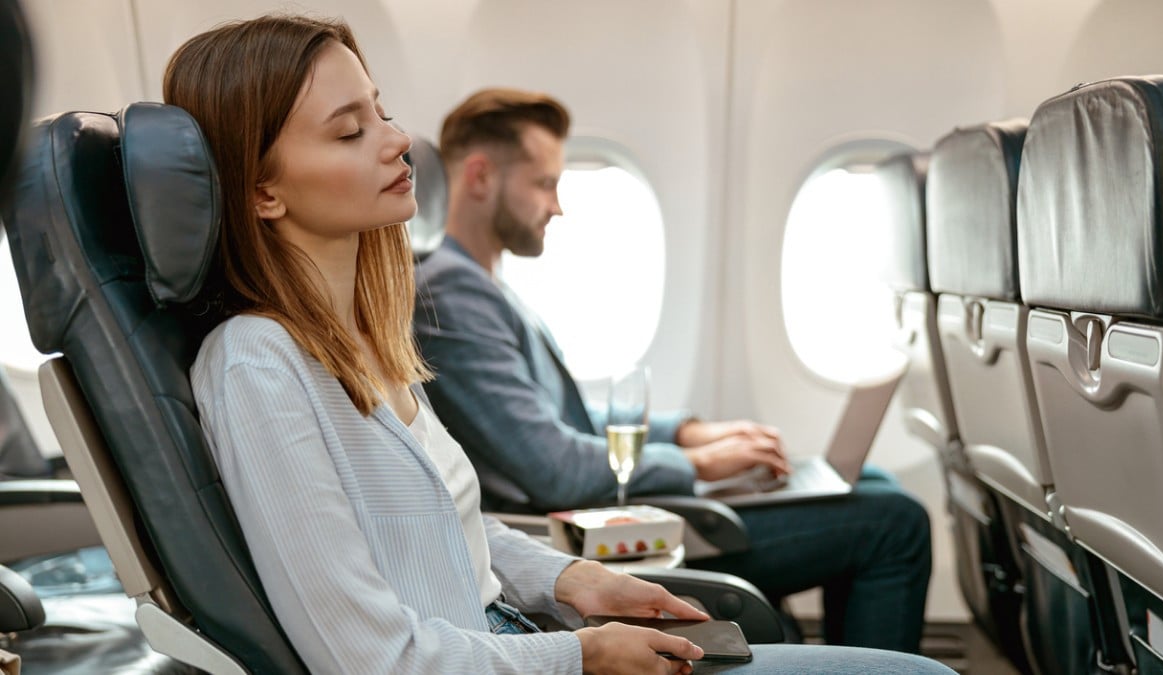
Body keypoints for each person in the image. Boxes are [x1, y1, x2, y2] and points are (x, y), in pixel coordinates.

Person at [172, 14, 953, 675]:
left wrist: (576, 578)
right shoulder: (258, 367)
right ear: (261, 191)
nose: (397, 138)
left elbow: (454, 533)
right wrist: (580, 653)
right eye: (350, 130)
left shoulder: (361, 341)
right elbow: (372, 658)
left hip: (519, 636)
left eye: (379, 111)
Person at [413, 88, 934, 653]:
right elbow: (554, 467)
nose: (558, 205)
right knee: (895, 524)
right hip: (578, 531)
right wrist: (697, 463)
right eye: (544, 184)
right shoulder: (451, 291)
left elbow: (576, 420)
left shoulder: (486, 287)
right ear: (481, 177)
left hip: (604, 507)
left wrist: (688, 430)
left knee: (874, 483)